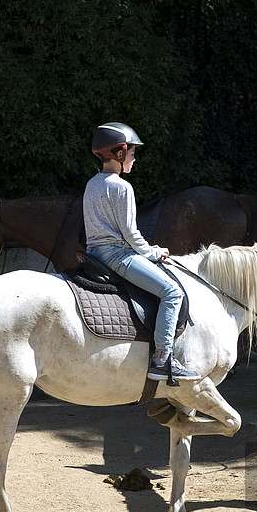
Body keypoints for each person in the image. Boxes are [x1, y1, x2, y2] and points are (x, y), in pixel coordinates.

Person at [83, 122, 199, 383]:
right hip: (117, 256)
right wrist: (153, 253)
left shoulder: (92, 184)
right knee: (172, 292)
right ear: (120, 153)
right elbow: (130, 234)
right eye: (133, 153)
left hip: (94, 255)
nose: (135, 159)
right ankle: (162, 358)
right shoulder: (122, 187)